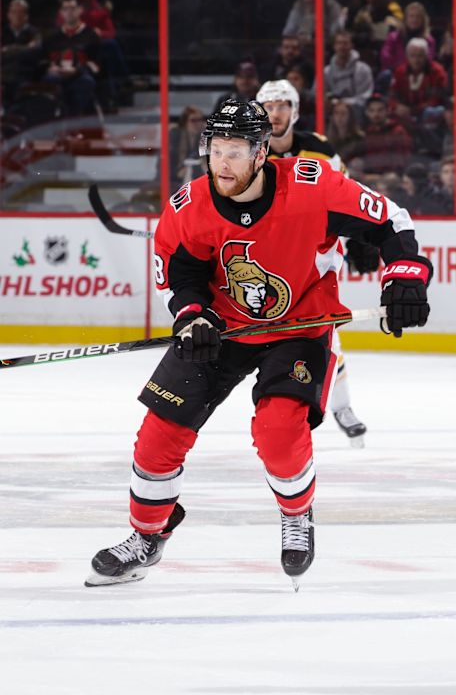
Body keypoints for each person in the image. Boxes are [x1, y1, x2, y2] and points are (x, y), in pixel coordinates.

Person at [85, 99, 433, 589]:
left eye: (235, 150)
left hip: (300, 324)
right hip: (223, 329)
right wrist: (192, 315)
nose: (222, 162)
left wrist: (405, 276)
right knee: (158, 434)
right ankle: (147, 535)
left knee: (278, 432)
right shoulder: (190, 207)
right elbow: (178, 275)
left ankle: (297, 513)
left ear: (261, 151)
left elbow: (390, 221)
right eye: (216, 149)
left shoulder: (313, 186)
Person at [256, 78, 379, 447]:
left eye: (282, 105)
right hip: (266, 256)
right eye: (268, 106)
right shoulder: (250, 148)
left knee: (324, 329)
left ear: (295, 111)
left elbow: (343, 196)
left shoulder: (320, 149)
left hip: (316, 252)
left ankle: (339, 407)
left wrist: (359, 235)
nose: (275, 113)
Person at [42, 0, 100, 117]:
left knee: (86, 82)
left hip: (80, 74)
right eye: (65, 9)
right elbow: (43, 60)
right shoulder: (51, 37)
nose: (69, 12)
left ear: (80, 10)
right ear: (61, 12)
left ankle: (74, 123)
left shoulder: (91, 35)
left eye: (73, 8)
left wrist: (77, 70)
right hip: (56, 75)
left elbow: (97, 63)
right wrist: (51, 67)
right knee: (47, 82)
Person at [1, 0, 41, 108]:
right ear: (8, 15)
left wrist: (8, 49)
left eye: (21, 12)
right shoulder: (3, 32)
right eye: (14, 12)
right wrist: (23, 48)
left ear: (26, 16)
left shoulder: (34, 32)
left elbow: (34, 51)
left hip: (25, 73)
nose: (17, 16)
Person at [324, 30, 374, 117]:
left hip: (357, 112)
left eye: (345, 43)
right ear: (334, 46)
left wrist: (344, 103)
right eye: (339, 43)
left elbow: (365, 96)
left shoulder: (363, 69)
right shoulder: (326, 71)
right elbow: (318, 95)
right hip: (332, 112)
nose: (342, 47)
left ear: (352, 45)